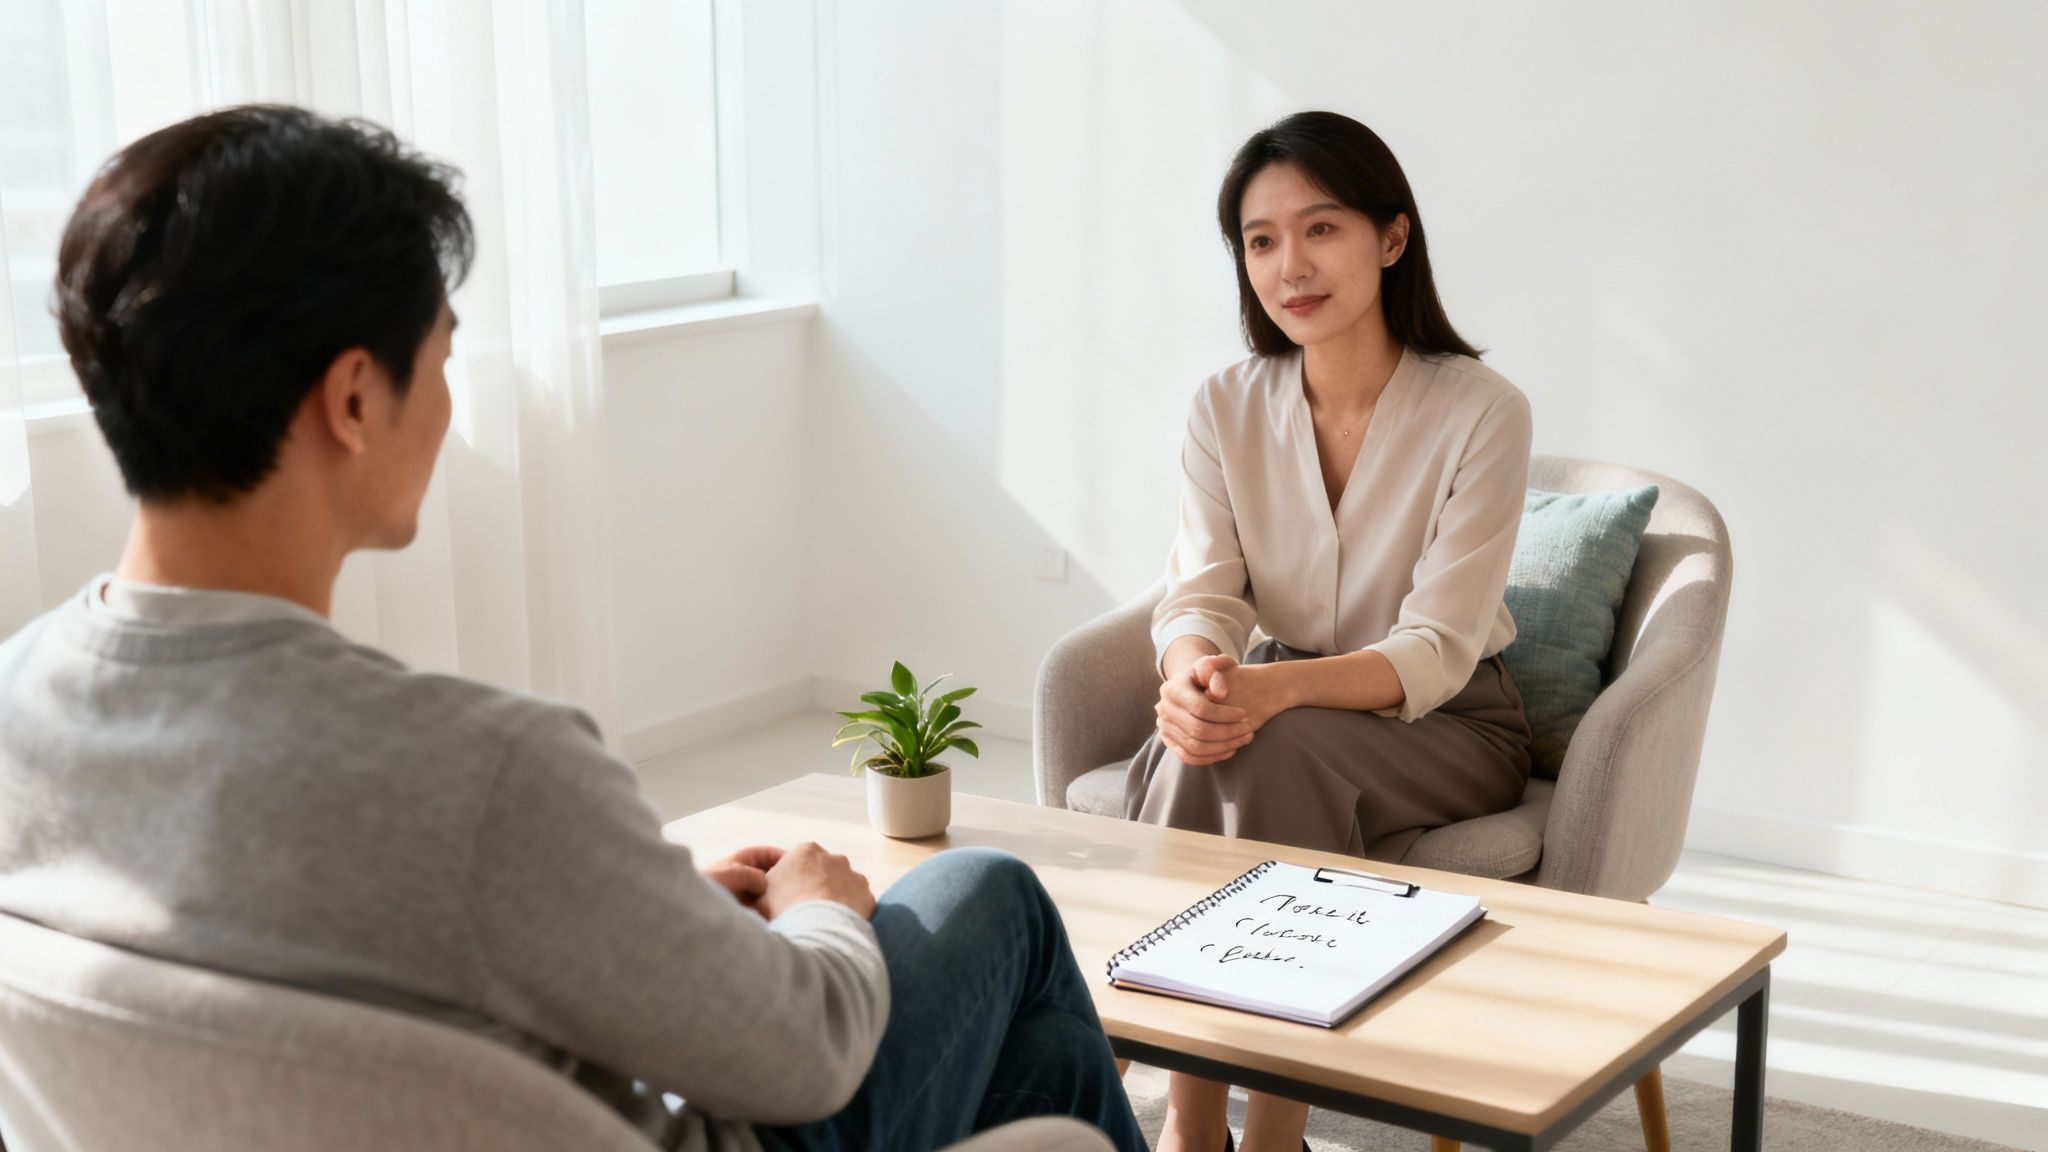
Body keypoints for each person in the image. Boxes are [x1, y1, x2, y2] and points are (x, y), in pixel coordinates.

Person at [0, 103, 1144, 1152]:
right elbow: (807, 1055)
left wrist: (620, 906)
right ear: (354, 400)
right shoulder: (489, 770)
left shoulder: (18, 703)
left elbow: (293, 931)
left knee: (1042, 1056)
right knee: (986, 896)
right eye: (443, 360)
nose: (450, 409)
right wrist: (820, 918)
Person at [1124, 111, 1535, 1152]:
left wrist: (1266, 692)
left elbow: (1437, 648)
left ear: (1390, 238)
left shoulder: (1482, 410)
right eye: (1259, 240)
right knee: (1207, 736)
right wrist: (1190, 677)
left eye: (1319, 229)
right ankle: (1204, 1121)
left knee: (1263, 743)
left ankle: (1235, 1129)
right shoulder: (1223, 405)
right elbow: (1200, 595)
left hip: (1447, 725)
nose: (1287, 265)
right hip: (1273, 703)